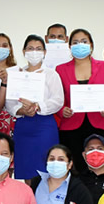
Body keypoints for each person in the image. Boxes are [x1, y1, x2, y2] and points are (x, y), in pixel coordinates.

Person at [56, 29, 104, 170]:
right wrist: (62, 111)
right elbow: (57, 98)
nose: (80, 45)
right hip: (72, 127)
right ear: (70, 46)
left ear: (91, 45)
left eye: (84, 41)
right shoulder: (60, 69)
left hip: (101, 123)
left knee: (103, 168)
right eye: (76, 42)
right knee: (77, 169)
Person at [6, 35, 63, 179]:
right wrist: (22, 110)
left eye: (38, 49)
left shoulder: (51, 74)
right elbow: (10, 103)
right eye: (30, 48)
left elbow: (58, 100)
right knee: (25, 168)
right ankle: (29, 200)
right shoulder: (17, 74)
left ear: (44, 52)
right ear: (24, 51)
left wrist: (37, 106)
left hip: (45, 126)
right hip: (23, 125)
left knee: (45, 168)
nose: (34, 52)